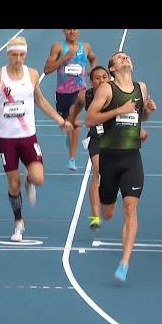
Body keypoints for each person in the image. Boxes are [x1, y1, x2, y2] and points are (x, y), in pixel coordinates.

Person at [0, 36, 73, 241]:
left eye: (21, 55)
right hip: (7, 139)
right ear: (8, 54)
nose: (18, 59)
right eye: (14, 55)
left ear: (25, 55)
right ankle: (18, 221)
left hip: (28, 136)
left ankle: (28, 181)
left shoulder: (32, 75)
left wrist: (59, 119)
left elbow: (40, 100)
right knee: (13, 184)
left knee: (38, 178)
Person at [85, 51, 157, 283]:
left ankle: (124, 262)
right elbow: (89, 119)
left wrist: (147, 111)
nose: (125, 58)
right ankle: (103, 205)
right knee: (109, 213)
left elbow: (140, 117)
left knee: (130, 208)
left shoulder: (141, 87)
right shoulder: (107, 89)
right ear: (112, 68)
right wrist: (119, 110)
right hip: (109, 158)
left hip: (132, 158)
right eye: (120, 57)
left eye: (127, 57)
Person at [43, 29, 97, 171]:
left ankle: (71, 159)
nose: (72, 31)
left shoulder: (85, 47)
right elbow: (46, 70)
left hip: (80, 90)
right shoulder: (58, 47)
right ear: (63, 30)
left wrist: (94, 70)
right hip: (62, 93)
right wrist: (63, 59)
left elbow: (93, 58)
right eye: (69, 29)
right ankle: (70, 132)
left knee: (75, 122)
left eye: (75, 28)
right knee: (67, 124)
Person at [67, 66, 111, 230]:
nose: (101, 80)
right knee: (97, 171)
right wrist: (71, 122)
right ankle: (94, 216)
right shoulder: (85, 95)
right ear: (91, 81)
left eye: (105, 77)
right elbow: (75, 109)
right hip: (96, 137)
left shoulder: (114, 92)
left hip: (114, 138)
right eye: (97, 78)